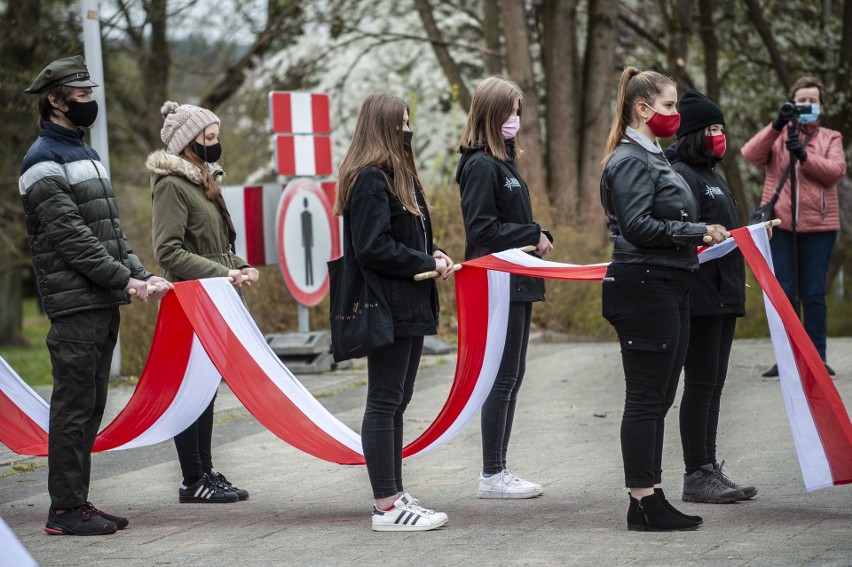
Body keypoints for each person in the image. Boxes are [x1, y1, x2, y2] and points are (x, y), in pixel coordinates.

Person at [19, 55, 172, 536]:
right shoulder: (42, 160)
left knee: (89, 407)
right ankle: (63, 511)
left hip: (100, 299)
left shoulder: (83, 153)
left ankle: (76, 503)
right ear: (55, 101)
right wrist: (122, 280)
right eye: (82, 95)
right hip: (76, 303)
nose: (91, 102)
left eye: (91, 93)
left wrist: (139, 273)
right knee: (73, 408)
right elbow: (72, 238)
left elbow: (108, 232)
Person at [599, 67, 729, 531]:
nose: (676, 114)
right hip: (643, 285)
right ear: (643, 108)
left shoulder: (652, 156)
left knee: (659, 396)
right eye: (670, 105)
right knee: (646, 399)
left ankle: (650, 496)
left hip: (669, 282)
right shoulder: (630, 159)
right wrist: (695, 230)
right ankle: (642, 501)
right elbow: (636, 227)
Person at [333, 93, 454, 531]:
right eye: (401, 123)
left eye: (409, 121)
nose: (408, 130)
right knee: (384, 401)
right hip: (388, 304)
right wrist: (425, 263)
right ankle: (386, 505)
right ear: (383, 127)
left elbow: (407, 238)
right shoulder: (369, 179)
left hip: (410, 302)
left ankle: (395, 492)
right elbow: (371, 247)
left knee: (398, 401)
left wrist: (434, 253)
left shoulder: (398, 177)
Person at [147, 101, 258, 504]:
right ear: (188, 142)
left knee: (206, 390)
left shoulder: (204, 181)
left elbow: (217, 246)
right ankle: (192, 478)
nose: (216, 144)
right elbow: (168, 251)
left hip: (214, 299)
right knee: (188, 391)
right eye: (208, 138)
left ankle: (205, 471)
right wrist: (221, 274)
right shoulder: (171, 186)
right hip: (188, 302)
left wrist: (241, 266)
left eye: (216, 137)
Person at [456, 76, 553, 500]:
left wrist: (537, 232)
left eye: (518, 111)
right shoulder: (479, 165)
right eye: (510, 111)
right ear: (491, 113)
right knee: (502, 376)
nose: (516, 119)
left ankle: (499, 470)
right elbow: (482, 230)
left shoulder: (504, 162)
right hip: (497, 283)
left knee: (513, 375)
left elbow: (509, 223)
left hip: (519, 279)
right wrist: (532, 234)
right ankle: (492, 474)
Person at [666, 90, 757, 504]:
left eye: (722, 128)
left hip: (725, 292)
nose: (720, 136)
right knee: (701, 384)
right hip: (699, 294)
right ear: (694, 133)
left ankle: (709, 466)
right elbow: (683, 229)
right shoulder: (680, 173)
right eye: (713, 129)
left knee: (715, 385)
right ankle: (695, 473)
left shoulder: (714, 175)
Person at [741, 77, 847, 377]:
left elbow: (836, 171)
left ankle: (817, 359)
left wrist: (804, 155)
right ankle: (786, 359)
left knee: (813, 292)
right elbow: (750, 155)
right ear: (792, 104)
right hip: (780, 226)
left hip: (820, 228)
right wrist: (776, 125)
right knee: (786, 293)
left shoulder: (831, 137)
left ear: (821, 106)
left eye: (813, 101)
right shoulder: (779, 134)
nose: (807, 106)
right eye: (801, 101)